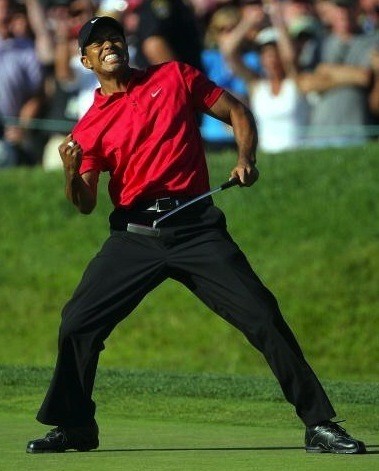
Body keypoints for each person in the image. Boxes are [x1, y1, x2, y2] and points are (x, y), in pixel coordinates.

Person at [26, 15, 366, 455]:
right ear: (85, 59)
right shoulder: (89, 125)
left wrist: (246, 157)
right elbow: (86, 202)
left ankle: (320, 423)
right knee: (76, 323)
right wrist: (72, 172)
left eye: (115, 37)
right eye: (98, 43)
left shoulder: (173, 77)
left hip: (195, 228)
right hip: (135, 234)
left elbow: (237, 111)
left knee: (262, 316)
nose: (109, 45)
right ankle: (75, 427)